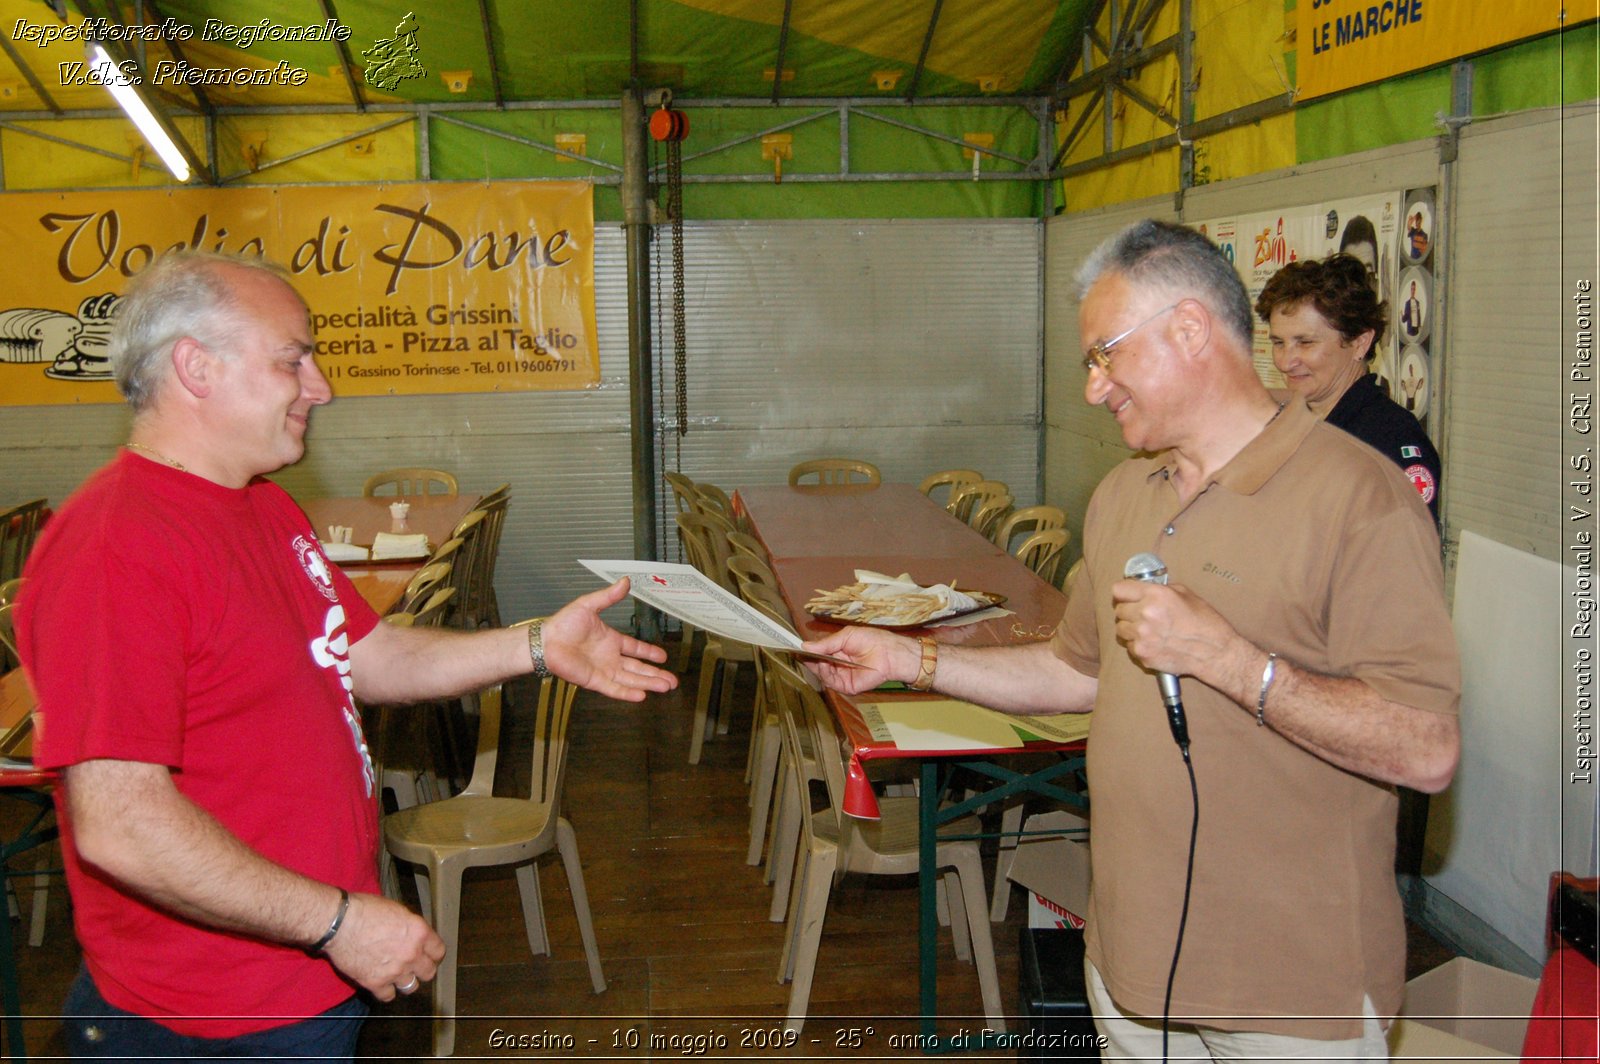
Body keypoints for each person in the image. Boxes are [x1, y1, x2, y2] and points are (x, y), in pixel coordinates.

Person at [805, 220, 1460, 1059]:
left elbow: (1427, 748)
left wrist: (1230, 660)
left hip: (1291, 990)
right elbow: (1076, 673)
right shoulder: (1121, 494)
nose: (1093, 387)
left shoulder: (1361, 497)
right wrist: (913, 660)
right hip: (1131, 968)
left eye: (1106, 354)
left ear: (1190, 330)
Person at [14, 251, 678, 1060]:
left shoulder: (260, 506)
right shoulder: (119, 548)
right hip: (212, 1018)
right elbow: (120, 827)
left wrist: (535, 645)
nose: (321, 386)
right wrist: (335, 921)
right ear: (195, 366)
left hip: (298, 983)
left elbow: (369, 654)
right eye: (294, 359)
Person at [1256, 255, 1441, 522]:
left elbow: (1401, 557)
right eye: (1278, 343)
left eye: (1305, 343)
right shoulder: (1287, 424)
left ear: (1359, 343)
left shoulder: (1389, 442)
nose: (1285, 362)